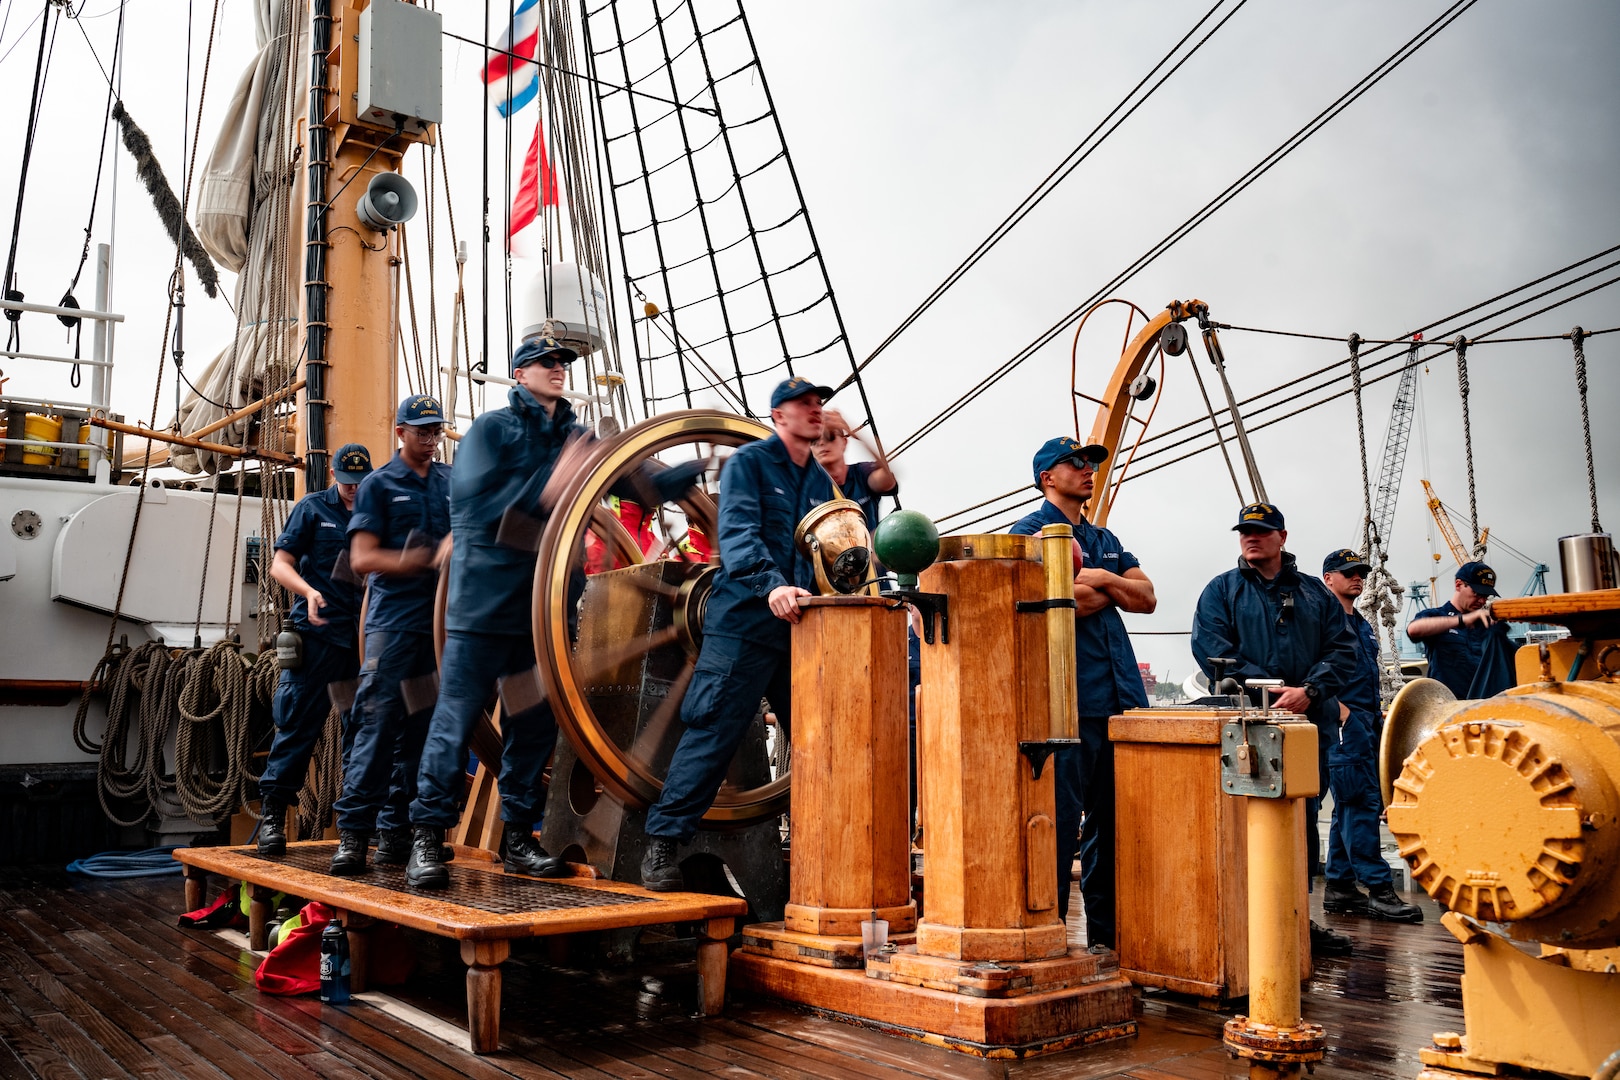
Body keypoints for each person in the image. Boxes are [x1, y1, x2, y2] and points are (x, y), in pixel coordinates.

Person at [640, 376, 837, 891]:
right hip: (744, 625)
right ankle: (661, 846)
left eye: (818, 403)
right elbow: (740, 535)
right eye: (803, 404)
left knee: (822, 741)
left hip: (799, 630)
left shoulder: (819, 482)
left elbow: (833, 546)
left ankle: (831, 851)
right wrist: (773, 585)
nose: (815, 410)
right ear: (778, 417)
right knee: (712, 733)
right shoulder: (749, 466)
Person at [404, 337, 588, 888]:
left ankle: (517, 841)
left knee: (533, 728)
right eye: (548, 363)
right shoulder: (490, 431)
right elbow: (475, 505)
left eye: (564, 363)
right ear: (520, 374)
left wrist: (696, 464)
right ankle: (427, 840)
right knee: (455, 721)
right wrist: (549, 487)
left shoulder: (575, 438)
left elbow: (629, 476)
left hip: (540, 620)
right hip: (481, 613)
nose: (559, 369)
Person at [1190, 502, 1359, 957]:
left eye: (1262, 532)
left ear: (1282, 537)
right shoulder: (1220, 592)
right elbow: (1211, 651)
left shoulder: (1315, 595)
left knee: (1302, 821)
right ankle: (1245, 919)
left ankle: (1297, 920)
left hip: (1306, 727)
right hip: (1244, 730)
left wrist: (1309, 690)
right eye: (1245, 531)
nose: (1252, 538)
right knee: (1240, 825)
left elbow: (1344, 651)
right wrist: (1267, 688)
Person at [1009, 436, 1155, 950]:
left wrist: (1098, 578)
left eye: (1091, 462)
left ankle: (1106, 941)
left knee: (1114, 828)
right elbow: (1048, 601)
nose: (1088, 470)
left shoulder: (1104, 537)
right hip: (1066, 702)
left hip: (1120, 701)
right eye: (1076, 463)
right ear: (1048, 476)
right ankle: (1047, 937)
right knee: (1060, 821)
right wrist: (1112, 585)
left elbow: (1149, 597)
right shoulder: (1027, 534)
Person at [331, 394, 452, 875]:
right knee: (376, 729)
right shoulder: (379, 485)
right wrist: (417, 559)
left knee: (425, 735)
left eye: (435, 429)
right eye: (421, 429)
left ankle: (414, 839)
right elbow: (361, 559)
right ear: (399, 432)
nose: (430, 438)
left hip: (437, 633)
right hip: (391, 626)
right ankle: (356, 838)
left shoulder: (452, 482)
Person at [256, 443, 373, 856]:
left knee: (361, 733)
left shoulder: (377, 510)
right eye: (346, 483)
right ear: (334, 476)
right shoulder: (311, 509)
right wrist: (308, 591)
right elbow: (279, 565)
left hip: (359, 644)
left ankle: (357, 825)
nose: (353, 491)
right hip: (318, 639)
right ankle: (273, 817)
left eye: (359, 484)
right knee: (298, 726)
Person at [1318, 549, 1422, 923]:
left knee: (1349, 804)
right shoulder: (1322, 621)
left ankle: (1340, 886)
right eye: (1347, 573)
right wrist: (1344, 714)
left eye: (1360, 573)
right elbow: (1312, 673)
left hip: (1365, 719)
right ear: (1328, 578)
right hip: (1344, 722)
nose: (1357, 579)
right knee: (1360, 804)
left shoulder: (1360, 622)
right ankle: (1378, 889)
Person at [1406, 561, 1511, 698]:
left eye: (1485, 596)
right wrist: (1462, 620)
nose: (1482, 601)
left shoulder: (1486, 624)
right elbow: (1414, 629)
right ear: (1458, 585)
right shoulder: (1436, 616)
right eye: (1477, 593)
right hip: (1447, 707)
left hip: (1483, 706)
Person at [809, 408, 897, 532]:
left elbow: (888, 480)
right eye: (814, 440)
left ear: (844, 442)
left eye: (830, 437)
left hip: (868, 549)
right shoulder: (807, 487)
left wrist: (856, 434)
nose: (822, 443)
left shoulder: (862, 472)